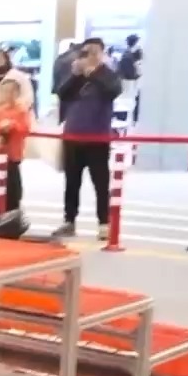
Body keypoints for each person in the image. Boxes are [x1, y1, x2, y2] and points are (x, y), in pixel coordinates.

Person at [53, 37, 122, 240]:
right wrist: (75, 76)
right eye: (85, 52)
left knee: (100, 183)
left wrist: (94, 74)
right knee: (71, 182)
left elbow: (113, 91)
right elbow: (62, 94)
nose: (89, 56)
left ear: (102, 54)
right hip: (73, 135)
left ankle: (104, 223)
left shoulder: (108, 74)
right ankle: (69, 221)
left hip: (97, 137)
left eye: (94, 52)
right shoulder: (75, 75)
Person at [0, 79, 31, 213]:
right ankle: (2, 210)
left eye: (12, 91)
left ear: (18, 93)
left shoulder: (22, 111)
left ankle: (14, 211)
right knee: (1, 183)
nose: (9, 94)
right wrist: (0, 126)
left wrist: (13, 125)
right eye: (5, 91)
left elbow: (25, 130)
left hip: (14, 153)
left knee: (14, 184)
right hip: (0, 153)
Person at [52, 41, 82, 122]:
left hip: (62, 90)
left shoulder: (61, 57)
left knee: (63, 115)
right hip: (73, 92)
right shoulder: (77, 59)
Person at [118, 34, 143, 124]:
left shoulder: (128, 54)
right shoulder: (129, 56)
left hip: (127, 83)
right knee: (127, 104)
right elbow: (133, 73)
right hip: (129, 84)